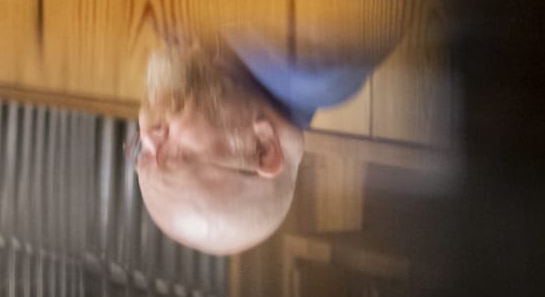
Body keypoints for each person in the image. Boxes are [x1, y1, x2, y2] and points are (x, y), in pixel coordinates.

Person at [133, 34, 377, 255]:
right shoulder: (314, 65)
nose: (148, 136)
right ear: (262, 148)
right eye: (176, 157)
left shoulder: (211, 54)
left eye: (144, 153)